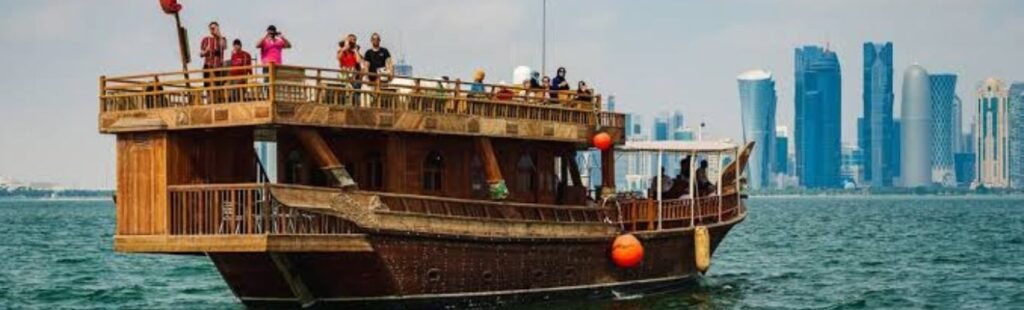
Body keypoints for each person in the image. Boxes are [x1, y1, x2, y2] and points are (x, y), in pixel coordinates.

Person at [200, 21, 227, 101]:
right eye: (211, 28)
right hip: (207, 66)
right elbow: (201, 54)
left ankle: (217, 102)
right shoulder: (206, 39)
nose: (213, 29)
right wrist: (206, 51)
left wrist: (219, 34)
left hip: (217, 67)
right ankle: (209, 101)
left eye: (214, 28)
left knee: (217, 86)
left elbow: (224, 46)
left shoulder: (222, 39)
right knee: (207, 86)